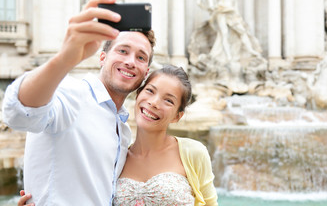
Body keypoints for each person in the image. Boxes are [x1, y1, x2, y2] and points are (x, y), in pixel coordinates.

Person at [2, 0, 155, 205]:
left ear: (146, 71)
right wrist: (66, 57)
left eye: (140, 57)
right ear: (103, 57)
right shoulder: (71, 92)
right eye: (122, 50)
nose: (130, 61)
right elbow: (18, 114)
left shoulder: (123, 129)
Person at [17, 65, 219, 206]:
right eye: (150, 91)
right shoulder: (118, 154)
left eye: (168, 100)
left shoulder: (193, 153)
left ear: (178, 116)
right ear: (138, 95)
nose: (154, 102)